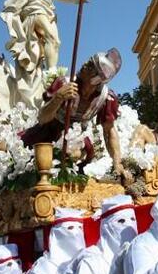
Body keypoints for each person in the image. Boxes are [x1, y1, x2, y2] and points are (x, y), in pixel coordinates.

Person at [20, 48, 127, 181]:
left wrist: (117, 162)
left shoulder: (106, 98)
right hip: (47, 133)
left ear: (96, 78)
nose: (83, 64)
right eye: (87, 62)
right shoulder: (64, 83)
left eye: (89, 66)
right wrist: (58, 98)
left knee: (74, 154)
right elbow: (42, 118)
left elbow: (110, 131)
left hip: (77, 140)